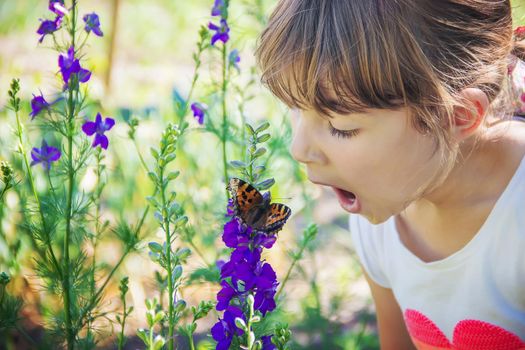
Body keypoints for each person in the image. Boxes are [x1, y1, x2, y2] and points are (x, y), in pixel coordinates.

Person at [254, 0, 525, 348]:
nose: (299, 149)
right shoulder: (379, 220)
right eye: (295, 109)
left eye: (341, 127)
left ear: (456, 115)